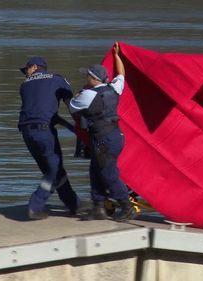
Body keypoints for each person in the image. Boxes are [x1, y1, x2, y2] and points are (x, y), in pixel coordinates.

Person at [69, 42, 137, 222]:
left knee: (108, 173)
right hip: (116, 136)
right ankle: (98, 207)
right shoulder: (114, 88)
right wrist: (117, 56)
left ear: (93, 78)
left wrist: (78, 94)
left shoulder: (88, 95)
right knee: (95, 170)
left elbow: (72, 107)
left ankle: (126, 207)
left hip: (102, 140)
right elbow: (121, 74)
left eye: (87, 76)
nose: (86, 79)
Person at [18, 56, 80, 220]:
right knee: (53, 170)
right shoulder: (57, 80)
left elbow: (39, 111)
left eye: (26, 70)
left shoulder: (24, 85)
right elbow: (73, 106)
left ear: (34, 67)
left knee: (53, 170)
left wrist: (66, 125)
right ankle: (35, 205)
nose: (26, 74)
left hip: (27, 133)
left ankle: (73, 203)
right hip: (44, 133)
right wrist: (81, 127)